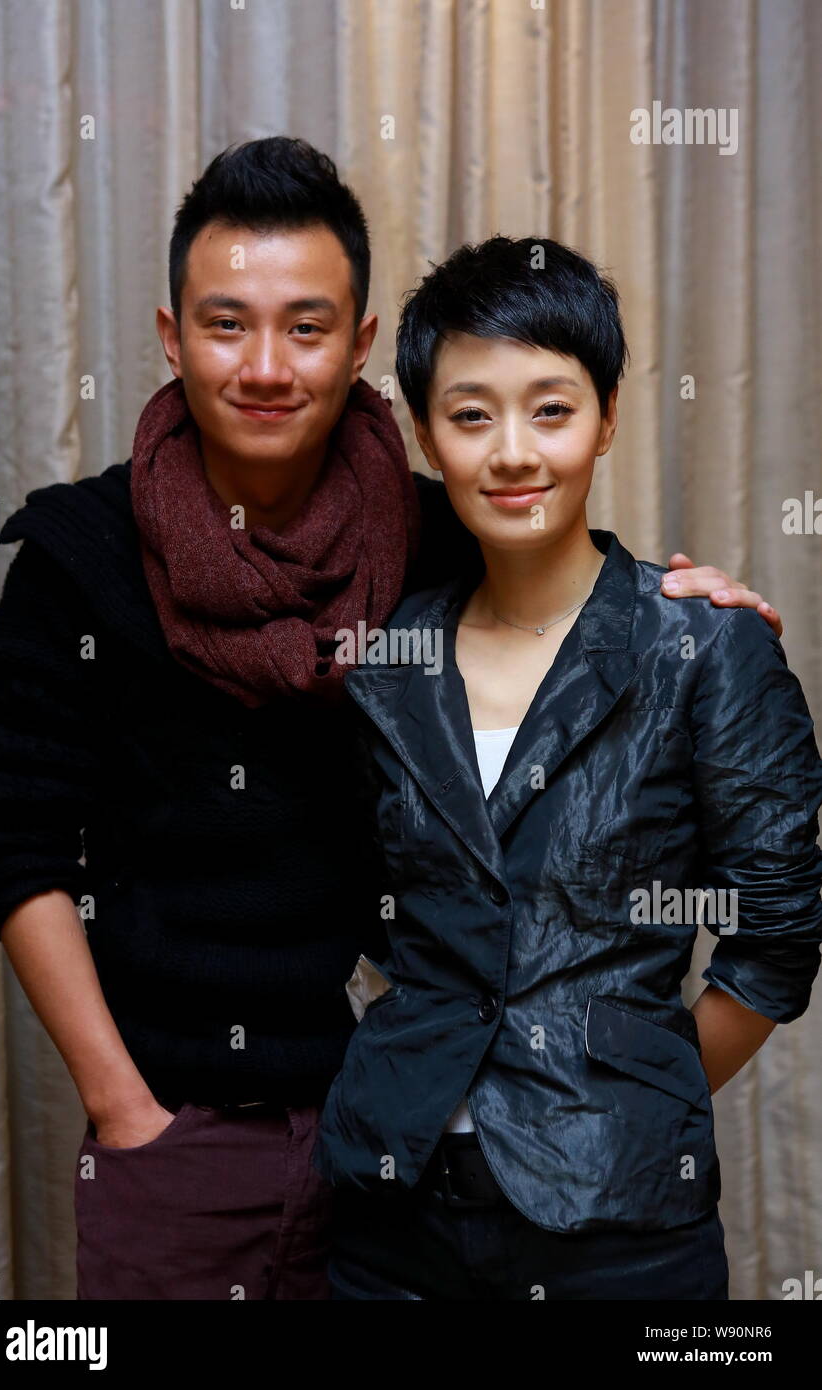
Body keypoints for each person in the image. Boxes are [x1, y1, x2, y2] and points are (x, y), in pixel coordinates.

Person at [0, 140, 782, 1302]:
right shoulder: (79, 557)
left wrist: (703, 608)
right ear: (168, 334)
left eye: (305, 328)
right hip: (178, 1124)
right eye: (224, 323)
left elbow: (563, 590)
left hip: (389, 1128)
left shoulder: (424, 538)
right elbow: (16, 847)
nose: (263, 365)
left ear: (357, 350)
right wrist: (124, 1108)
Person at [312, 234, 822, 1301]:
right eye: (469, 414)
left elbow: (774, 932)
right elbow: (354, 905)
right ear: (422, 432)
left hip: (621, 1226)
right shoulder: (384, 659)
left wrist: (629, 1097)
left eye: (550, 408)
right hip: (392, 1211)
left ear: (606, 417)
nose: (511, 451)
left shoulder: (699, 644)